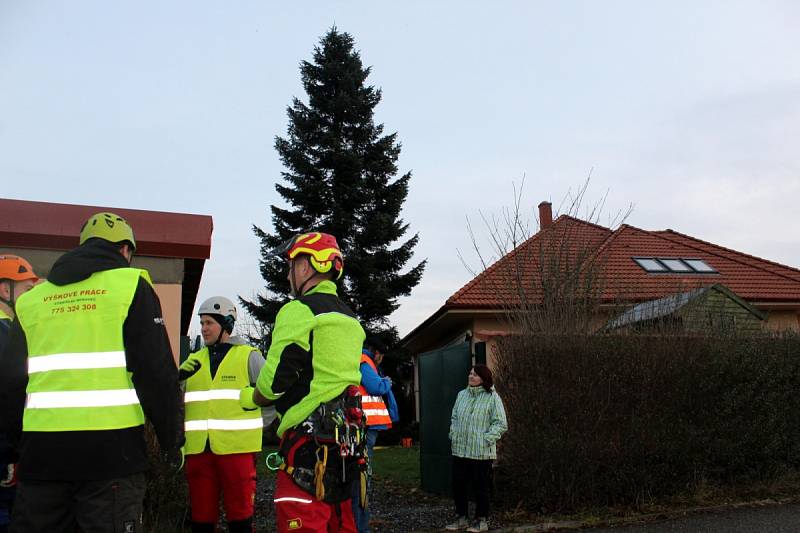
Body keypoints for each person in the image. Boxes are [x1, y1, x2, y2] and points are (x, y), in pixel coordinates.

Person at [0, 212, 184, 533]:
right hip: (112, 460)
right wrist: (172, 441)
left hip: (41, 461)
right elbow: (156, 373)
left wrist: (20, 447)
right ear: (126, 250)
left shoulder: (32, 301)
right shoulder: (130, 286)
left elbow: (11, 383)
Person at [244, 232, 365, 533]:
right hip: (346, 446)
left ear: (305, 268)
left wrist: (250, 397)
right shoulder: (350, 318)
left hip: (307, 449)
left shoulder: (299, 310)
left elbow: (273, 383)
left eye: (290, 267)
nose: (288, 275)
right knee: (342, 523)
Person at [179, 296, 266, 533]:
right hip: (199, 451)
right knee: (201, 518)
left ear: (226, 324)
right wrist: (175, 380)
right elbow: (175, 401)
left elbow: (270, 397)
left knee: (240, 517)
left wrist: (262, 430)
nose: (204, 329)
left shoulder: (250, 356)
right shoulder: (193, 361)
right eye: (202, 323)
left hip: (237, 451)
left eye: (209, 323)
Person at [0, 255, 39, 533]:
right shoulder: (5, 334)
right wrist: (11, 452)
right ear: (5, 290)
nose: (32, 297)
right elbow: (9, 393)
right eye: (27, 290)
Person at [445, 365, 508, 533]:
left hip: (481, 452)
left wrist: (486, 439)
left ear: (483, 378)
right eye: (470, 373)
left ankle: (482, 520)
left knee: (481, 487)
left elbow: (501, 424)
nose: (470, 376)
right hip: (460, 450)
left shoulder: (492, 397)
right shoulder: (461, 395)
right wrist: (453, 433)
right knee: (458, 484)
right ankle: (462, 518)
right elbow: (455, 417)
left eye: (475, 374)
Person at [351, 335, 399, 533]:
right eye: (382, 356)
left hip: (366, 426)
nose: (382, 360)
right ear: (377, 353)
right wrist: (386, 381)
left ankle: (358, 525)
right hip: (366, 427)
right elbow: (375, 387)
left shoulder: (363, 362)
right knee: (363, 480)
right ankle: (360, 527)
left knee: (361, 479)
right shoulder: (364, 362)